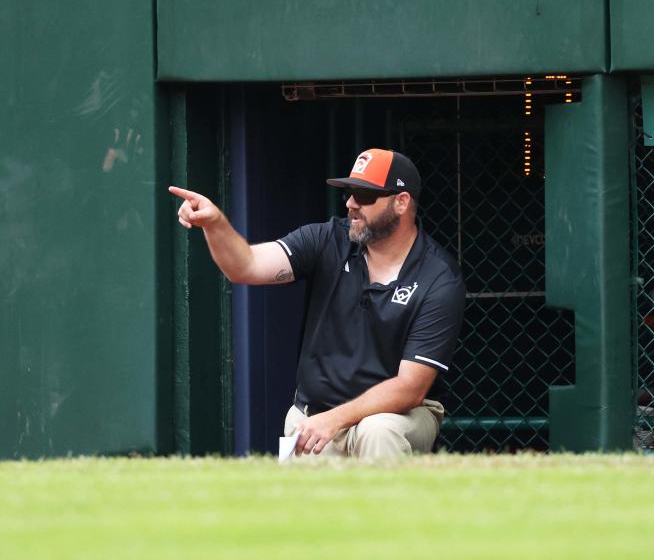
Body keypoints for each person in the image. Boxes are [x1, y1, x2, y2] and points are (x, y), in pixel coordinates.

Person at [169, 149, 466, 460]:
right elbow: (247, 266)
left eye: (364, 195)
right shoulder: (327, 240)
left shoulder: (439, 277)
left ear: (401, 202)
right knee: (308, 468)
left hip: (400, 415)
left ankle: (388, 509)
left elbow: (410, 388)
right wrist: (215, 224)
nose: (351, 203)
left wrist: (336, 419)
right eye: (350, 193)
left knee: (377, 431)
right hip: (317, 413)